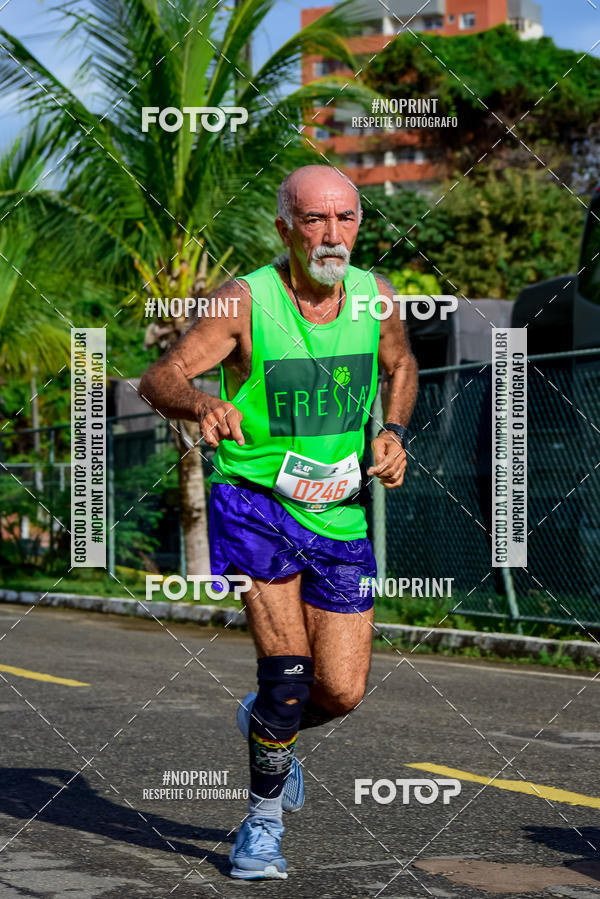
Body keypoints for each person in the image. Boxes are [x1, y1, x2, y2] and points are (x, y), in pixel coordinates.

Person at [139, 164, 418, 880]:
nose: (332, 235)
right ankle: (260, 828)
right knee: (289, 674)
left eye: (346, 219)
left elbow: (402, 364)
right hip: (255, 500)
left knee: (341, 691)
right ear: (284, 228)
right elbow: (160, 378)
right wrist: (202, 405)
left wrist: (392, 431)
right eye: (315, 220)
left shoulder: (376, 299)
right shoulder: (246, 301)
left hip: (339, 509)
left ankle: (269, 721)